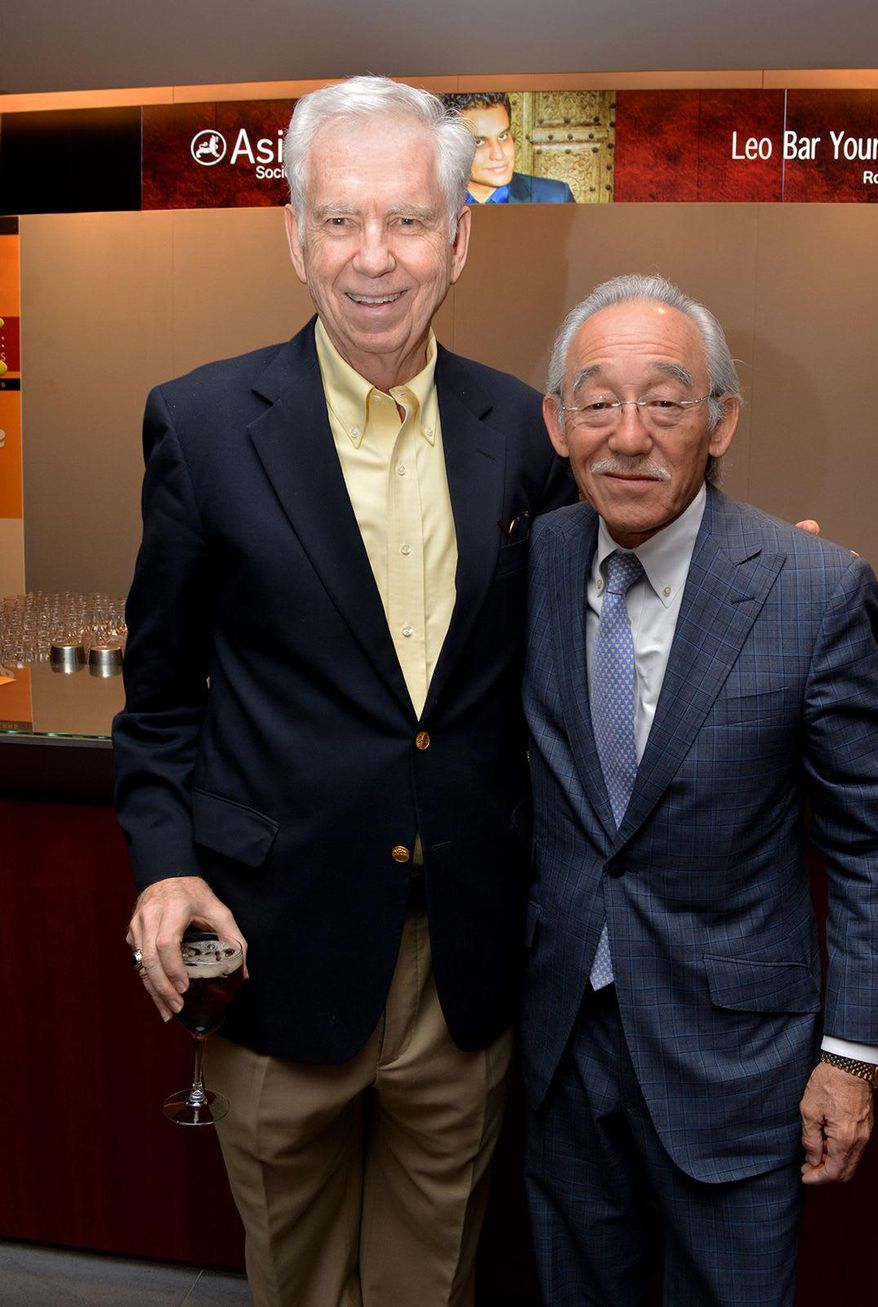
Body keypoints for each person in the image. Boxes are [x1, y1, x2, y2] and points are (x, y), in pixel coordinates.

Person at [115, 76, 575, 1307]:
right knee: (299, 1281)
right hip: (274, 948)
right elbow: (159, 698)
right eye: (338, 219)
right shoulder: (204, 424)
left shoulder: (526, 431)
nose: (373, 258)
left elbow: (588, 634)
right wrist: (164, 865)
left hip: (464, 962)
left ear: (460, 234)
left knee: (438, 1282)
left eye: (409, 221)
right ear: (292, 231)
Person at [521, 274, 878, 1306]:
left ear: (719, 419)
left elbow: (870, 843)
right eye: (596, 402)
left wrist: (851, 1056)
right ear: (557, 422)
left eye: (664, 400)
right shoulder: (523, 565)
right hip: (559, 1047)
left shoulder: (811, 587)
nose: (628, 435)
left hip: (737, 1060)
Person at [442, 92, 576, 204]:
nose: (498, 154)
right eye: (478, 142)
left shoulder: (555, 198)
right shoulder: (432, 202)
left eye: (502, 136)